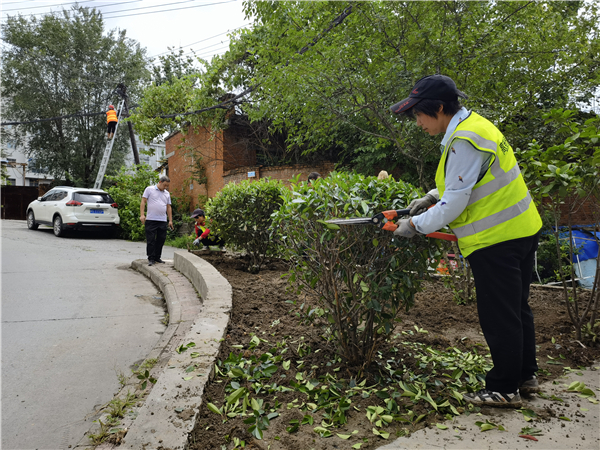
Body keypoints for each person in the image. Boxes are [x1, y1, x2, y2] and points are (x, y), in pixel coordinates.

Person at [389, 74, 542, 408]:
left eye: (419, 115)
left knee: (499, 315)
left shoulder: (464, 139)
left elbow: (454, 205)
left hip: (496, 240)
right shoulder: (476, 126)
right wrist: (431, 196)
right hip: (522, 228)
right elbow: (468, 180)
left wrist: (413, 225)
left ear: (439, 109)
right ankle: (525, 375)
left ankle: (504, 389)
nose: (417, 123)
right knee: (516, 308)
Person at [140, 176, 174, 266]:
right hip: (151, 219)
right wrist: (142, 215)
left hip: (162, 220)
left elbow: (168, 207)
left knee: (161, 239)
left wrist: (170, 220)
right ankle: (151, 258)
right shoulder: (149, 189)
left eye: (167, 186)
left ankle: (157, 257)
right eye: (164, 185)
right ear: (160, 182)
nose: (165, 187)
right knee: (151, 240)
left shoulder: (167, 193)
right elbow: (143, 201)